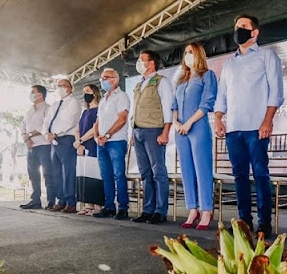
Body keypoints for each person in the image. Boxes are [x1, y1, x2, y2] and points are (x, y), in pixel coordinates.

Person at [214, 14, 284, 238]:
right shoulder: (229, 63)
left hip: (256, 127)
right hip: (233, 128)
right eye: (236, 27)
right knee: (240, 176)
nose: (238, 30)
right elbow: (222, 94)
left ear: (255, 32)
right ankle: (244, 222)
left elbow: (276, 92)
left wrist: (267, 120)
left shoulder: (267, 56)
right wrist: (218, 118)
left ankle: (264, 223)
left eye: (243, 26)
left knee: (261, 175)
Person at [173, 43, 218, 230]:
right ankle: (192, 209)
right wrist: (176, 123)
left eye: (190, 52)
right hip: (180, 130)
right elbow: (173, 105)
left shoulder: (207, 76)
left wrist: (189, 122)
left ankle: (206, 209)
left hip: (197, 126)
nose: (187, 55)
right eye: (185, 53)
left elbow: (207, 102)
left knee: (202, 170)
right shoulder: (181, 80)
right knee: (186, 171)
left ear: (198, 54)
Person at [130, 50, 174, 225]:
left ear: (152, 63)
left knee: (158, 172)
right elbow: (134, 110)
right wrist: (132, 133)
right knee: (145, 173)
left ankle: (160, 211)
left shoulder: (162, 82)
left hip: (154, 130)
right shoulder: (139, 84)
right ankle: (148, 209)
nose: (139, 63)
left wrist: (165, 132)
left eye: (142, 60)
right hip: (138, 131)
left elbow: (167, 107)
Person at [93, 68, 131, 220]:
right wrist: (97, 136)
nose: (102, 81)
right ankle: (109, 207)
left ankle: (123, 208)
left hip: (116, 141)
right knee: (106, 175)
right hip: (101, 142)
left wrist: (107, 135)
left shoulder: (122, 96)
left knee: (118, 175)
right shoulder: (103, 99)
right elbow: (97, 121)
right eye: (101, 78)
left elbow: (122, 119)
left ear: (115, 79)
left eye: (106, 78)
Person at [41, 78, 82, 213]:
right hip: (53, 141)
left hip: (66, 139)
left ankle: (71, 201)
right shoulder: (54, 104)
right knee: (56, 172)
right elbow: (46, 121)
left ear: (70, 88)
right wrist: (46, 134)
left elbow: (71, 121)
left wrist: (55, 133)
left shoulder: (74, 103)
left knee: (68, 172)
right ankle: (61, 200)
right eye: (59, 86)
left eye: (64, 86)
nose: (61, 88)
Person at [20, 85, 56, 210]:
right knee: (33, 175)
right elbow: (23, 128)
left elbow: (44, 127)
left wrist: (29, 136)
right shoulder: (28, 111)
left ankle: (52, 201)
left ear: (40, 94)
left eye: (32, 92)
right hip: (31, 148)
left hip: (44, 146)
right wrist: (26, 140)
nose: (30, 94)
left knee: (48, 174)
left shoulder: (48, 108)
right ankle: (35, 200)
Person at [74, 84, 104, 215]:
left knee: (95, 176)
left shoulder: (99, 110)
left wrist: (81, 140)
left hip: (93, 145)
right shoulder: (85, 112)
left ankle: (98, 206)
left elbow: (94, 129)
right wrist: (79, 144)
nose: (85, 94)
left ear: (95, 93)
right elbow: (78, 129)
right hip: (83, 147)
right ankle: (88, 205)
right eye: (83, 91)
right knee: (85, 176)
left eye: (88, 91)